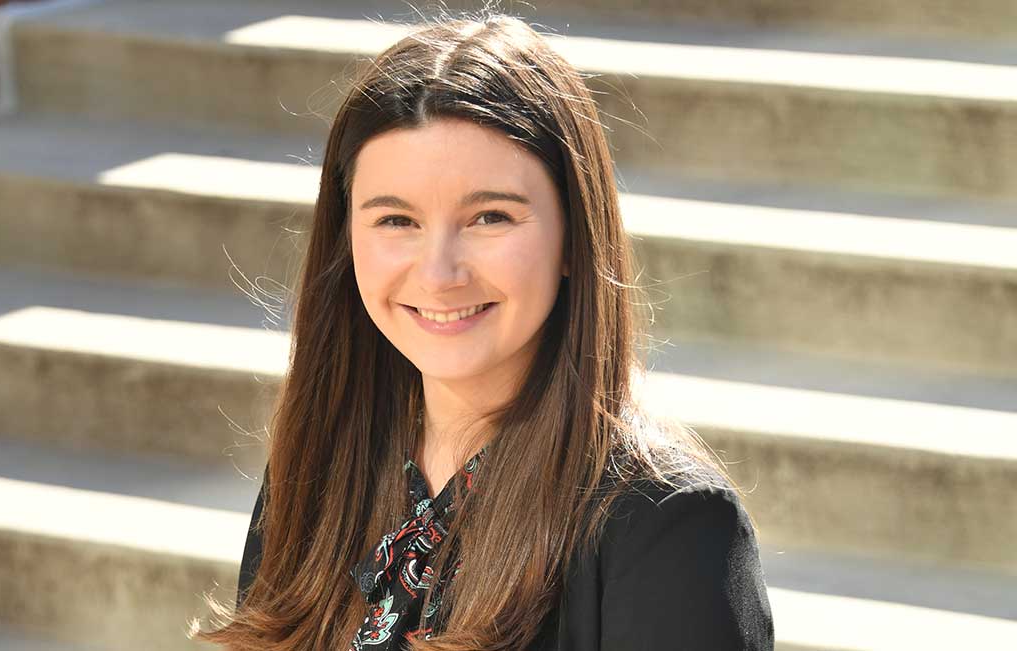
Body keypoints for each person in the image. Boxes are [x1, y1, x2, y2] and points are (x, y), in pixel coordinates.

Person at [190, 9, 774, 651]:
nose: (438, 274)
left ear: (574, 237)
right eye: (396, 221)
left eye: (490, 217)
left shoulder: (669, 526)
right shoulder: (323, 470)